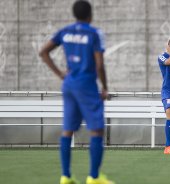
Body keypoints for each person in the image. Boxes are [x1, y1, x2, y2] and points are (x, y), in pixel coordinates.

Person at [39, 1, 114, 184]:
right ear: (90, 15)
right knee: (96, 129)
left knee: (68, 130)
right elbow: (99, 64)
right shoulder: (94, 33)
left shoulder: (65, 31)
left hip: (69, 84)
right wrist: (104, 86)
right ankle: (94, 177)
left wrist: (60, 74)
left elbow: (43, 51)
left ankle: (65, 176)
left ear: (75, 14)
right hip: (86, 84)